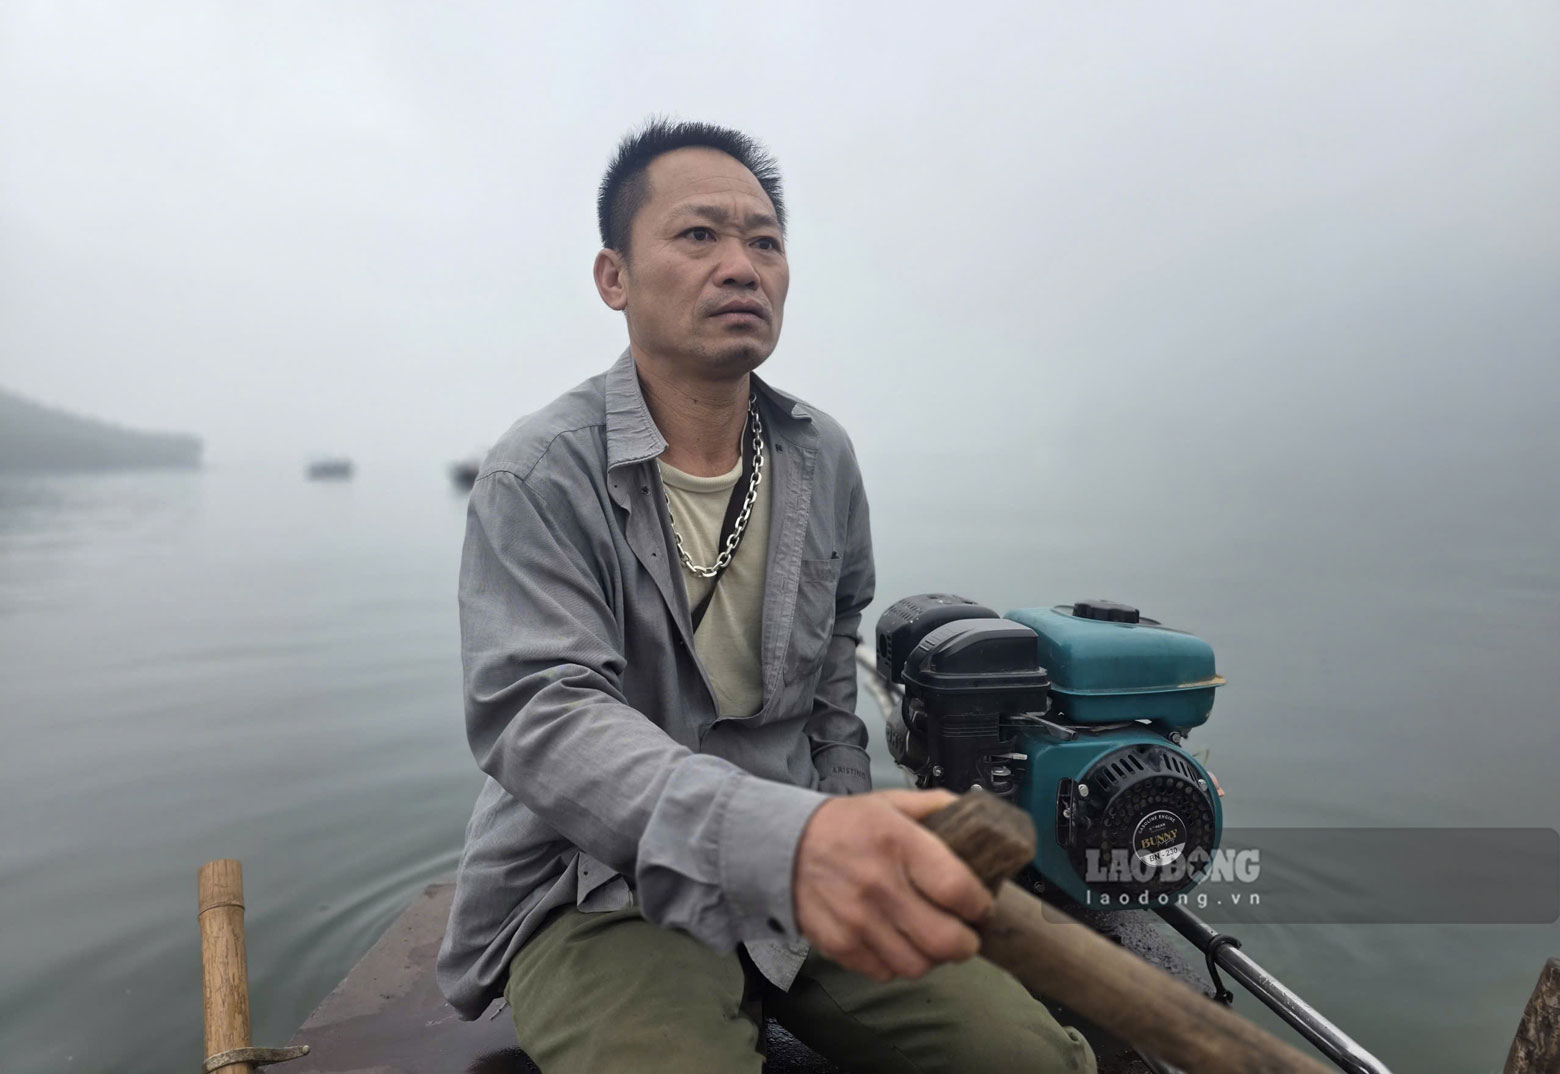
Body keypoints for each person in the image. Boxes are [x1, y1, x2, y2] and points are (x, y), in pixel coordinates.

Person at [435, 119, 1095, 1074]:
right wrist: (792, 842)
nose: (741, 266)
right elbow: (540, 717)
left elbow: (834, 677)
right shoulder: (538, 473)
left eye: (765, 242)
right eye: (699, 235)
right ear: (613, 278)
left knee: (1029, 1059)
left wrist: (836, 827)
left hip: (804, 860)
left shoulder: (823, 457)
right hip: (603, 885)